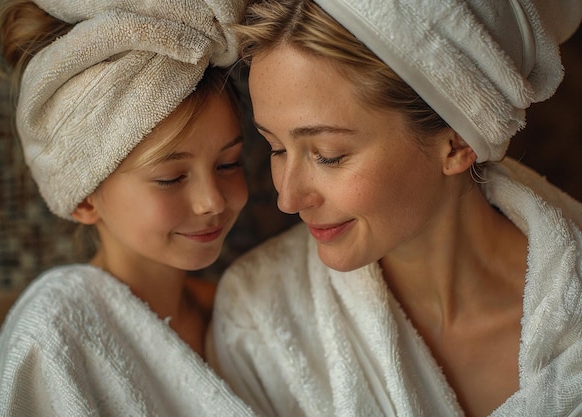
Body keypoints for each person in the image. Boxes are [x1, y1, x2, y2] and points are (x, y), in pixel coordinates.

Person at [209, 0, 582, 416]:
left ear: (457, 141)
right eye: (276, 148)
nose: (289, 199)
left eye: (328, 155)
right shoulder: (258, 322)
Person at [0, 0, 257, 415]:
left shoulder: (242, 315)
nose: (212, 200)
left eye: (228, 164)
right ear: (85, 196)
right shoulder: (56, 330)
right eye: (171, 178)